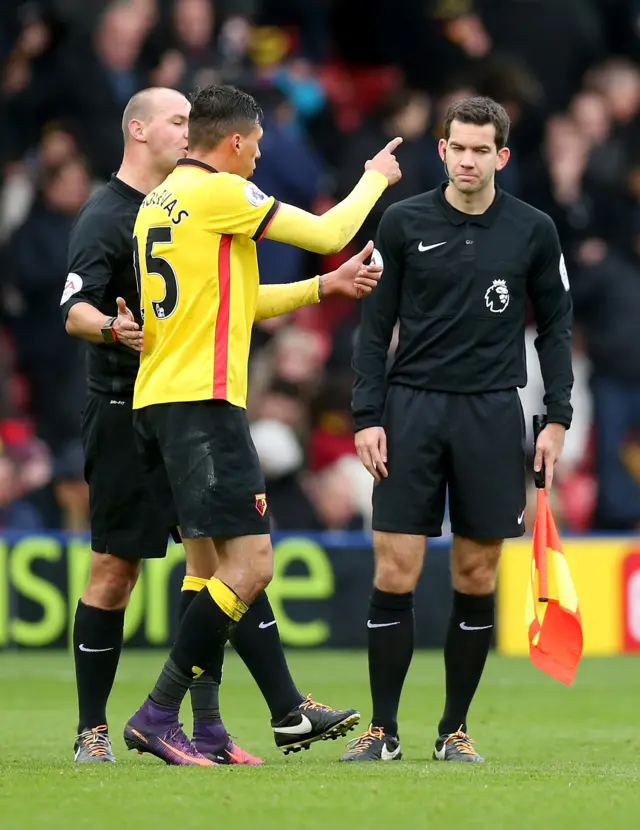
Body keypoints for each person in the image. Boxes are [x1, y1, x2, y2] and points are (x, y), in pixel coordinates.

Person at [62, 86, 393, 765]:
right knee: (251, 564)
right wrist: (374, 179)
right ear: (236, 142)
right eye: (259, 142)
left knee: (210, 564)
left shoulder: (161, 203)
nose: (263, 152)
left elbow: (235, 300)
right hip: (200, 401)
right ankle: (156, 713)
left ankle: (212, 722)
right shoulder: (217, 195)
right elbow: (332, 234)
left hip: (161, 398)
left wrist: (321, 289)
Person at [341, 96, 573, 763]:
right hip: (412, 408)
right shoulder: (402, 221)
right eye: (457, 148)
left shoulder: (534, 231)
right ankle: (383, 730)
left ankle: (454, 729)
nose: (467, 160)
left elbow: (556, 326)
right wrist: (367, 416)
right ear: (441, 150)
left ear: (501, 156)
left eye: (481, 150)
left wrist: (557, 417)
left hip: (493, 412)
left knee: (476, 573)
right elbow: (373, 326)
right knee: (396, 566)